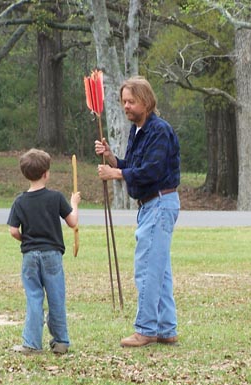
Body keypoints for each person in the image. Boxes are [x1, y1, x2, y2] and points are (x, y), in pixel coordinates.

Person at [95, 76, 181, 348]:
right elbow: (132, 165)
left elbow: (151, 171)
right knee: (160, 270)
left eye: (131, 101)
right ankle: (167, 329)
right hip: (149, 205)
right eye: (123, 102)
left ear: (146, 100)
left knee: (146, 269)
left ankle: (145, 329)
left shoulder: (159, 131)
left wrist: (116, 173)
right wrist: (112, 158)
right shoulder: (138, 131)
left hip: (159, 203)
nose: (126, 106)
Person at [7, 149, 81, 355]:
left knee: (33, 297)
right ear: (46, 174)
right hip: (52, 255)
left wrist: (26, 239)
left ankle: (31, 343)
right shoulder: (55, 197)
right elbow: (72, 222)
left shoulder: (19, 201)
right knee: (56, 296)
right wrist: (74, 204)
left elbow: (13, 230)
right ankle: (60, 341)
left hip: (30, 256)